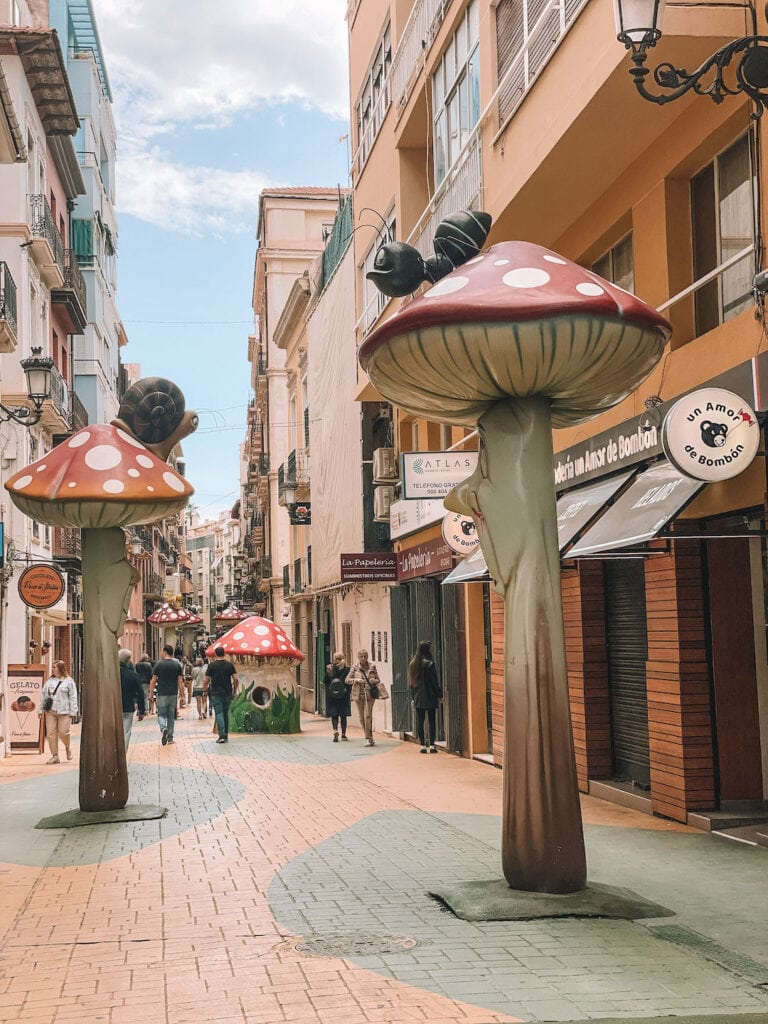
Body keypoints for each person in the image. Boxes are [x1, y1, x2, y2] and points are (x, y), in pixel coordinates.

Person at [39, 660, 78, 764]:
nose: (52, 669)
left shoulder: (68, 681)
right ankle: (55, 755)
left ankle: (67, 747)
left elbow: (73, 696)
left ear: (60, 668)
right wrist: (40, 709)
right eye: (52, 667)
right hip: (50, 711)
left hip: (64, 711)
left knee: (63, 732)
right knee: (51, 733)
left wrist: (73, 710)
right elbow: (44, 696)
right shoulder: (49, 681)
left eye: (54, 667)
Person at [408, 640, 443, 754]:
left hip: (418, 696)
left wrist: (413, 697)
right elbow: (434, 681)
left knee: (420, 721)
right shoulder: (430, 664)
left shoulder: (413, 663)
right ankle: (432, 745)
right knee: (432, 721)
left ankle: (422, 745)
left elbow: (412, 683)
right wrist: (439, 694)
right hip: (430, 695)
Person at [149, 645, 183, 746]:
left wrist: (151, 694)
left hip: (162, 693)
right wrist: (182, 696)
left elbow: (153, 681)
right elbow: (180, 682)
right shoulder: (177, 665)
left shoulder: (158, 664)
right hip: (173, 694)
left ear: (164, 652)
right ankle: (170, 737)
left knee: (161, 714)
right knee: (171, 716)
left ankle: (163, 727)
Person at [205, 647, 239, 743]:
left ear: (215, 654)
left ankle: (222, 735)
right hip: (227, 692)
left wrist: (204, 689)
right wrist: (234, 690)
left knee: (219, 713)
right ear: (224, 654)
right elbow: (236, 679)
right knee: (225, 714)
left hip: (216, 693)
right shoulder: (229, 665)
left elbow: (207, 679)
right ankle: (226, 734)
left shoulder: (212, 666)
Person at [347, 649, 381, 747]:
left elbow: (378, 679)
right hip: (358, 695)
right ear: (358, 657)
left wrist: (373, 680)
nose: (363, 658)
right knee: (362, 718)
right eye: (361, 656)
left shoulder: (372, 666)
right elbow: (347, 680)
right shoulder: (355, 667)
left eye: (365, 656)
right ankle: (368, 736)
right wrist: (356, 680)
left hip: (370, 694)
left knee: (367, 715)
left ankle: (368, 738)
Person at [118, 649, 146, 745]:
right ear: (128, 660)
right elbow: (140, 693)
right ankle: (123, 755)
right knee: (126, 732)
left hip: (112, 707)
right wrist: (141, 710)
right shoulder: (133, 675)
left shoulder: (112, 673)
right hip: (128, 707)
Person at [323, 652, 351, 742]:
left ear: (334, 659)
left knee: (334, 715)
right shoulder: (347, 669)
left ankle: (335, 730)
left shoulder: (330, 669)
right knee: (343, 716)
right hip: (343, 695)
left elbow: (325, 681)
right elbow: (348, 682)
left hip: (332, 696)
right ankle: (343, 734)